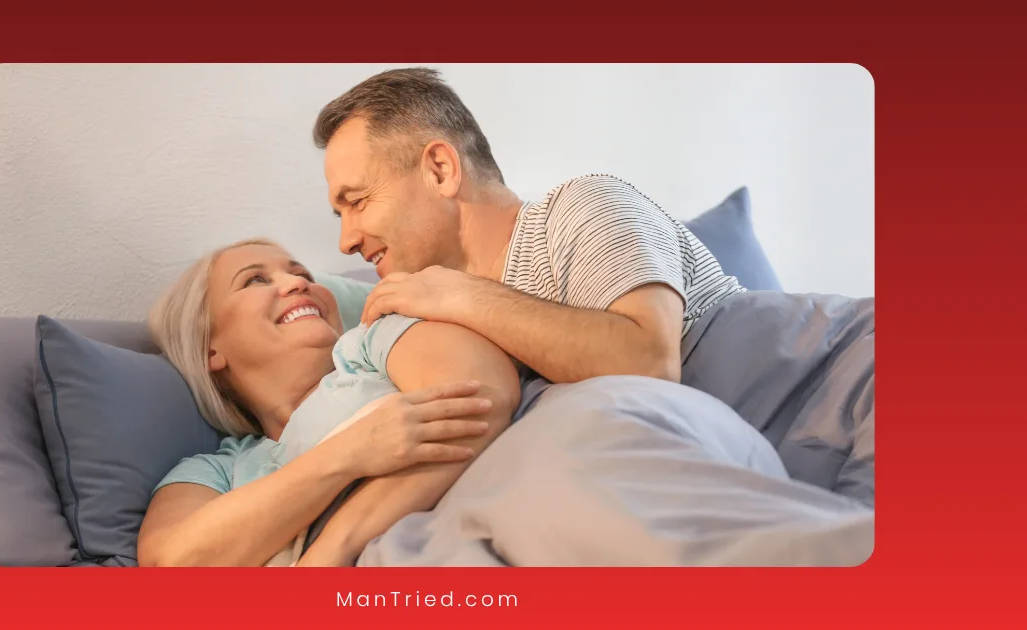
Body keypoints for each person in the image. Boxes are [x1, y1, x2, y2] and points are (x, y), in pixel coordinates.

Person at [312, 68, 874, 507]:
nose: (346, 240)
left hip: (853, 380)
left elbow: (647, 364)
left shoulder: (581, 205)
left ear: (440, 168)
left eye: (356, 202)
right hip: (777, 464)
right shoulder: (436, 330)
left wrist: (460, 295)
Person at [136, 238, 521, 567]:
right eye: (255, 280)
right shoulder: (217, 471)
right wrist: (349, 453)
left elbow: (480, 393)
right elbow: (171, 565)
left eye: (302, 274)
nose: (297, 283)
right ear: (209, 348)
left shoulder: (371, 343)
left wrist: (330, 552)